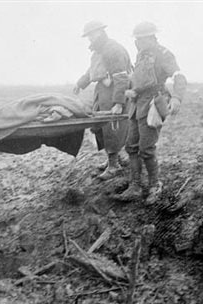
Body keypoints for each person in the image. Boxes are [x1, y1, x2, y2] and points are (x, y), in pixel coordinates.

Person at [115, 22, 187, 205]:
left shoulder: (164, 54)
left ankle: (155, 185)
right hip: (136, 105)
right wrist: (133, 90)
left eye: (140, 39)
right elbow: (139, 80)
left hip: (153, 105)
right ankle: (135, 186)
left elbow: (179, 76)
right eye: (136, 39)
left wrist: (177, 97)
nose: (137, 42)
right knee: (131, 146)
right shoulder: (140, 55)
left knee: (146, 148)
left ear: (150, 37)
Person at [74, 21, 132, 180]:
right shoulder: (98, 52)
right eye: (88, 35)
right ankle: (111, 160)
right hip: (102, 93)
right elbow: (91, 71)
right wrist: (80, 83)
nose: (90, 38)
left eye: (92, 34)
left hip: (113, 93)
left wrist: (119, 102)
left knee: (112, 128)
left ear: (100, 32)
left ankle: (114, 166)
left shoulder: (113, 49)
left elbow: (121, 77)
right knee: (100, 127)